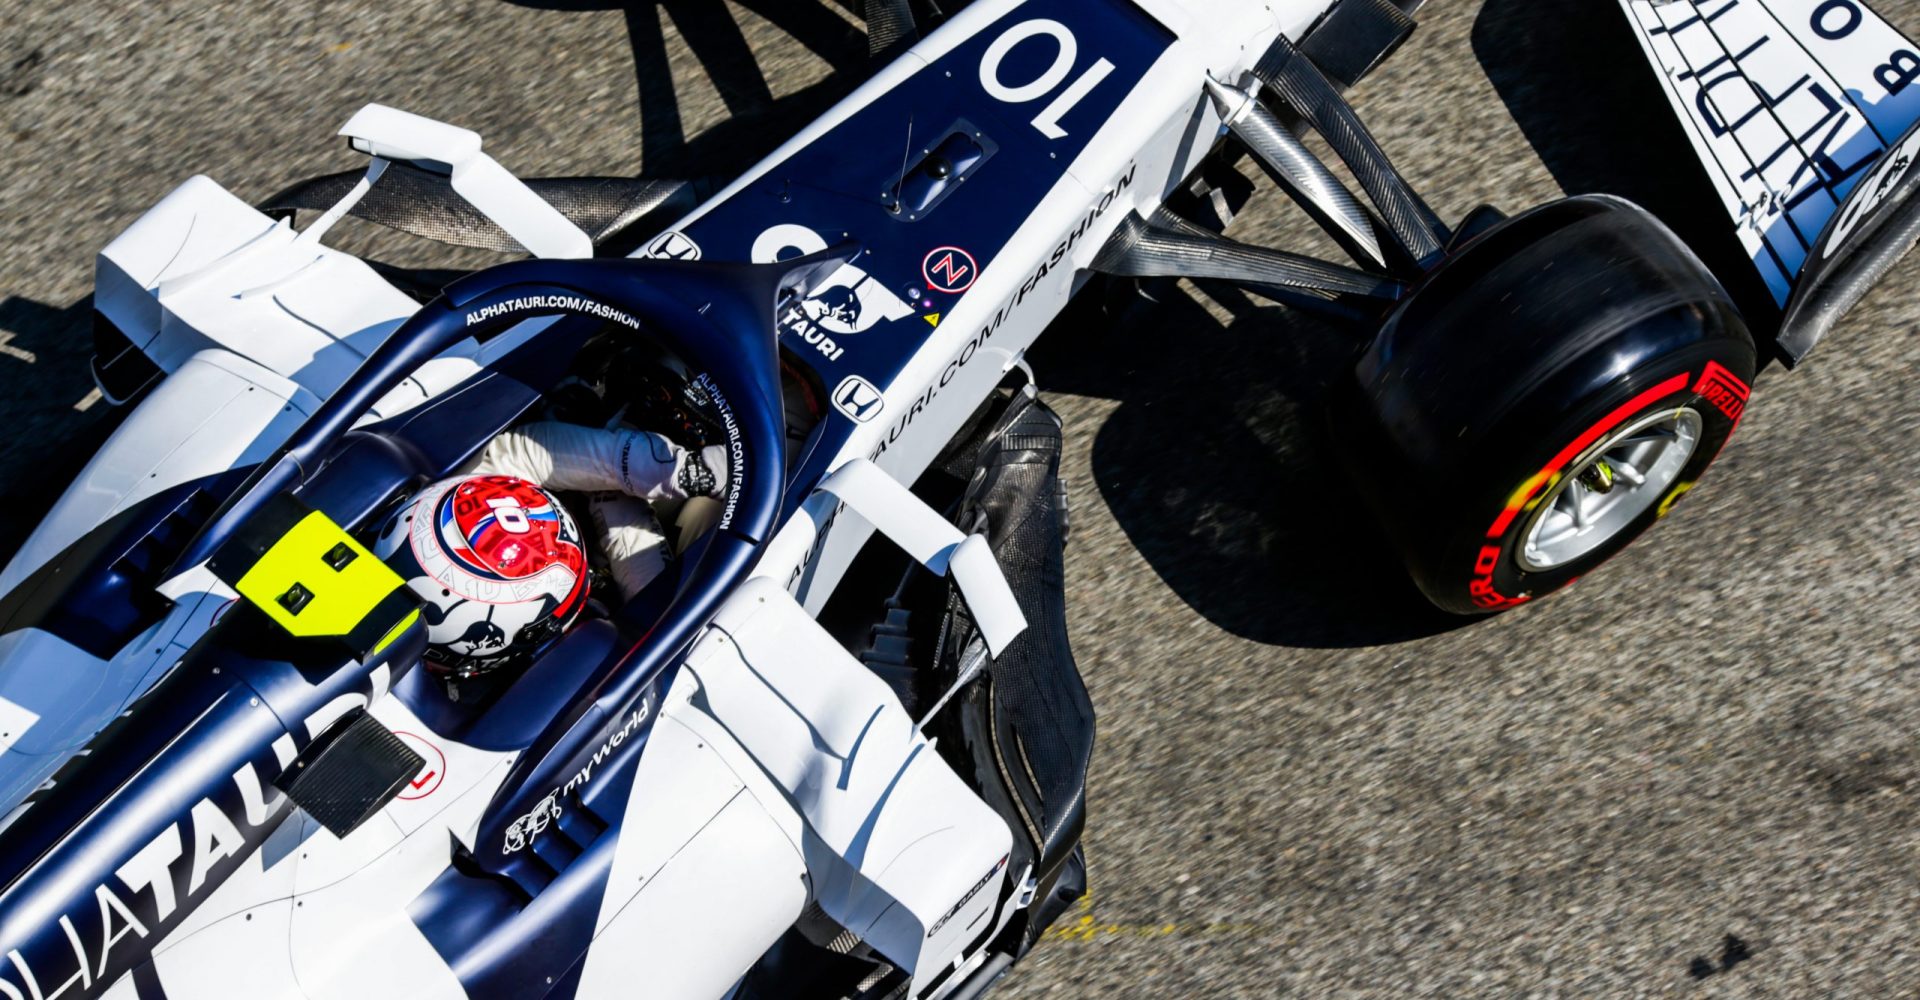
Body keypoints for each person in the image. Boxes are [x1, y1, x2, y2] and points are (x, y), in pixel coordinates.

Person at [373, 422, 726, 676]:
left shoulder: (413, 509)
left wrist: (682, 471)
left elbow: (518, 454)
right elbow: (661, 628)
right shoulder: (566, 669)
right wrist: (621, 494)